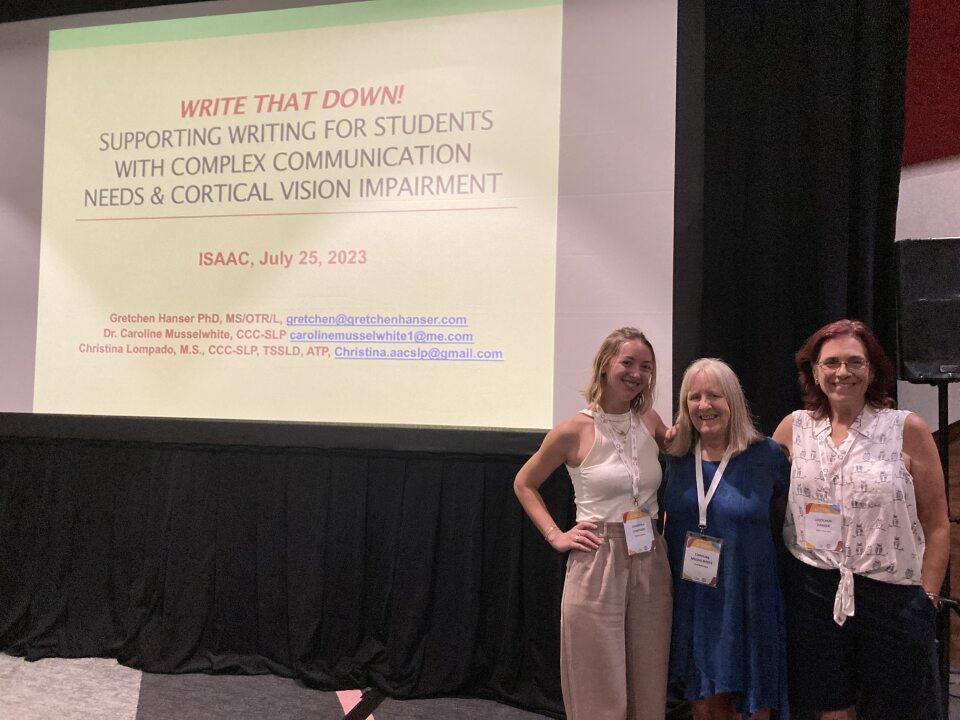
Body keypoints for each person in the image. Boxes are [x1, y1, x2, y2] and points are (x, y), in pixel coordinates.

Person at [771, 319, 949, 720]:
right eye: (831, 362)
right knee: (831, 708)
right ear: (814, 371)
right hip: (813, 591)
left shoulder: (906, 429)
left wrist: (928, 598)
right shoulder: (793, 429)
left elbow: (937, 524)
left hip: (892, 595)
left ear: (872, 369)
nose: (842, 372)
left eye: (855, 362)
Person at [513, 327, 672, 720]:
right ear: (605, 365)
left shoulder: (650, 421)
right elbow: (524, 483)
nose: (637, 373)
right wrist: (556, 534)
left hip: (649, 554)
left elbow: (691, 442)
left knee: (648, 681)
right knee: (597, 684)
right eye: (628, 362)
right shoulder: (573, 430)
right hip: (598, 556)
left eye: (646, 366)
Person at [662, 358, 790, 720]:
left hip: (749, 596)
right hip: (696, 598)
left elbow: (784, 520)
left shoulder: (766, 455)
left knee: (751, 705)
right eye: (694, 397)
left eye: (714, 395)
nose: (704, 406)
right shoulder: (675, 456)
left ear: (732, 400)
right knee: (705, 705)